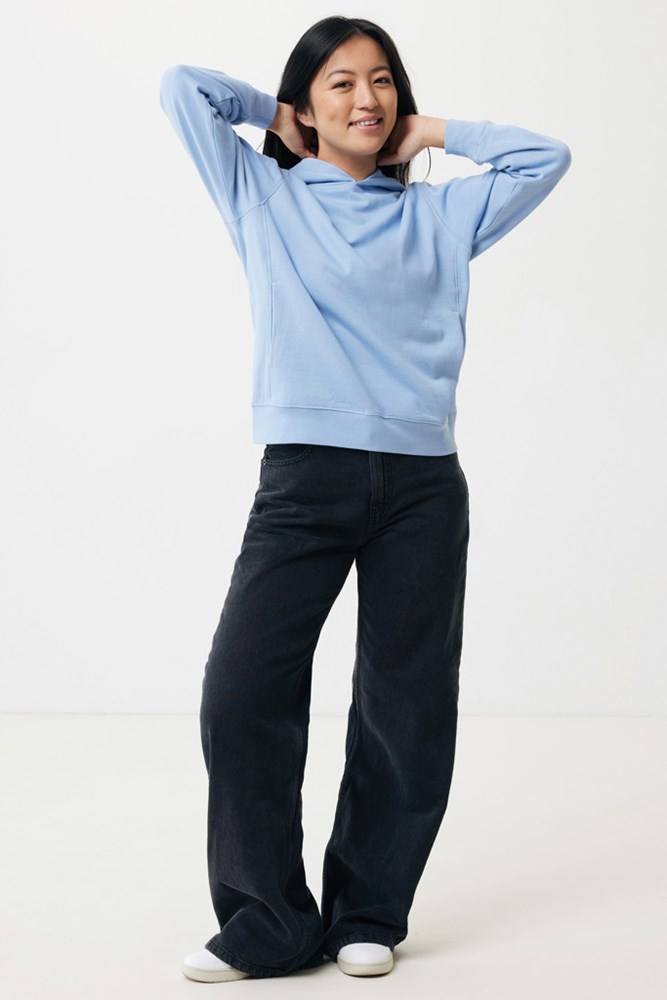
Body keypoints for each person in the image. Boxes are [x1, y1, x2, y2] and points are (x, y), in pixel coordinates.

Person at [159, 14, 571, 984]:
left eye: (381, 80)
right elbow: (182, 86)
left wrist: (432, 133)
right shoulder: (263, 193)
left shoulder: (441, 215)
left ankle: (370, 912)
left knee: (405, 705)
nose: (367, 98)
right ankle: (268, 922)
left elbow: (544, 157)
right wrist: (278, 118)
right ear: (308, 104)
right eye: (340, 82)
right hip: (304, 479)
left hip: (422, 486)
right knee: (242, 693)